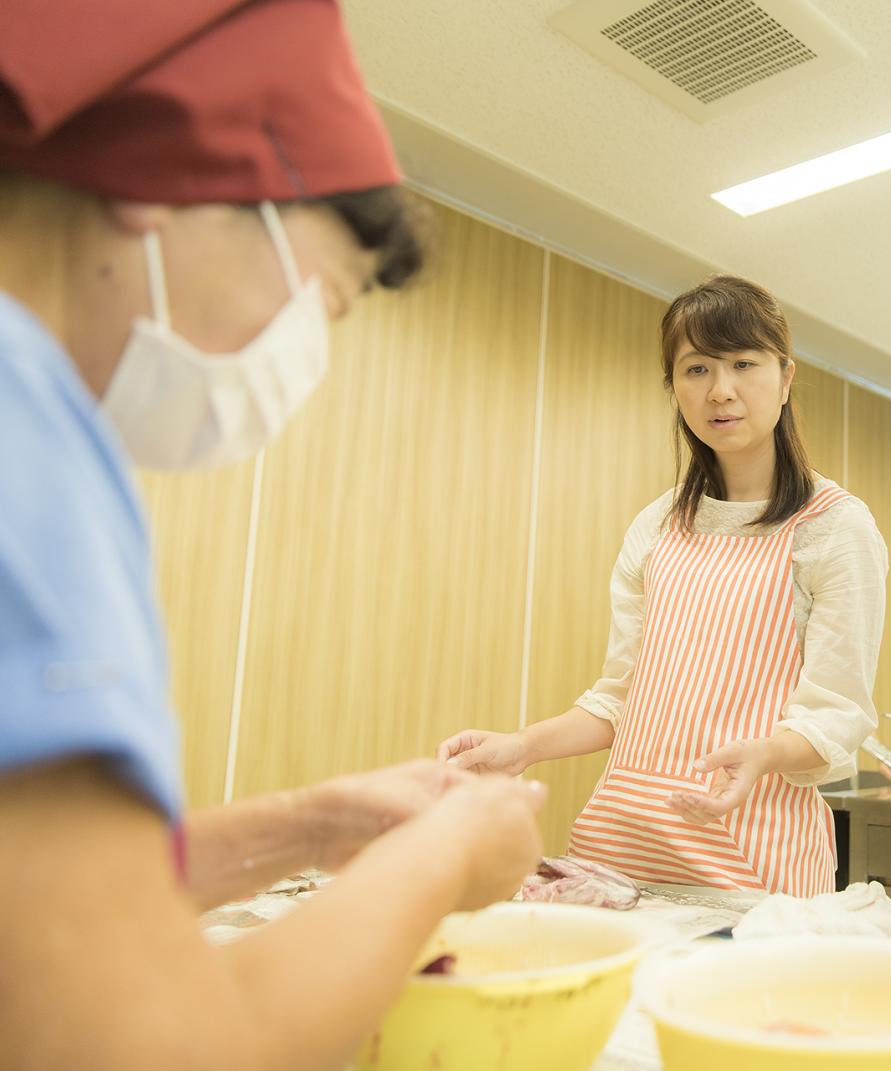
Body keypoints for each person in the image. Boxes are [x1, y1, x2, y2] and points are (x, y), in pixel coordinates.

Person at [0, 4, 546, 1067]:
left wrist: (307, 825)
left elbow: (39, 904)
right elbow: (149, 1048)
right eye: (323, 303)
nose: (303, 365)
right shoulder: (26, 420)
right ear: (159, 175)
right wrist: (446, 854)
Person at [440, 275, 887, 896]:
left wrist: (766, 753)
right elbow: (620, 698)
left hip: (751, 853)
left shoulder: (834, 527)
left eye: (743, 364)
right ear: (674, 387)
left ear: (786, 378)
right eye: (696, 369)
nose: (720, 390)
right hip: (621, 841)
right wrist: (522, 747)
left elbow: (835, 715)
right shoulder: (658, 523)